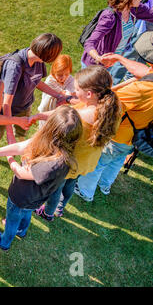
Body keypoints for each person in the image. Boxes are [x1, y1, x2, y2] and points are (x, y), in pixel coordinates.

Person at [0, 106, 83, 251]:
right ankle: (22, 230)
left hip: (21, 198)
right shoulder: (61, 149)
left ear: (51, 129)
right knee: (26, 214)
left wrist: (10, 159)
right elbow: (22, 146)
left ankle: (4, 241)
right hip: (36, 199)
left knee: (12, 220)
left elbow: (20, 173)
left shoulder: (55, 163)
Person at [32, 65, 121, 219]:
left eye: (77, 89)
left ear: (89, 93)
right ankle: (61, 208)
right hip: (86, 160)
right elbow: (72, 109)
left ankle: (48, 212)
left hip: (68, 162)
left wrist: (38, 118)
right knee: (70, 185)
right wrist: (40, 116)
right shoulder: (111, 107)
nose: (75, 91)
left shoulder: (80, 116)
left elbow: (62, 117)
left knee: (55, 189)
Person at [74, 47, 153, 200]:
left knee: (99, 163)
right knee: (116, 162)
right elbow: (144, 72)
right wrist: (119, 58)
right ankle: (105, 185)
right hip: (136, 136)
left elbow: (105, 104)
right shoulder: (149, 77)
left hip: (118, 135)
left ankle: (85, 191)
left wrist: (73, 106)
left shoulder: (140, 89)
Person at [0, 33, 66, 142]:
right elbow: (6, 103)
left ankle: (20, 151)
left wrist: (58, 95)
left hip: (23, 107)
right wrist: (10, 134)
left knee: (21, 133)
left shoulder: (38, 60)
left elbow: (36, 81)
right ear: (47, 55)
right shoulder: (15, 67)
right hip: (3, 111)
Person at [81, 0, 153, 77]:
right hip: (95, 65)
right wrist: (99, 58)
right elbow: (89, 43)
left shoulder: (134, 9)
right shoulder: (110, 16)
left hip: (111, 62)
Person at [37, 54, 76, 127]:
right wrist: (69, 94)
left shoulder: (70, 79)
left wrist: (70, 94)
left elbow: (72, 92)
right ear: (54, 71)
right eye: (60, 74)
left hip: (62, 110)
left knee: (59, 127)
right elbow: (64, 94)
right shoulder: (50, 80)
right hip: (48, 109)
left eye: (66, 74)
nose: (63, 77)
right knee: (45, 127)